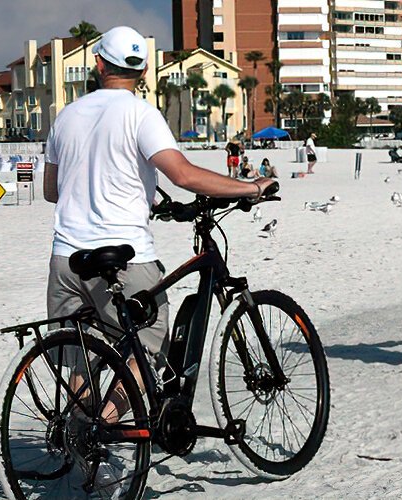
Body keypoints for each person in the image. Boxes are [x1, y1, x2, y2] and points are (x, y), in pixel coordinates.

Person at [42, 26, 274, 419]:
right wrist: (248, 188)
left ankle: (83, 444)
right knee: (147, 346)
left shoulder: (66, 116)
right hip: (123, 259)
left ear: (98, 64)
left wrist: (131, 194)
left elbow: (52, 190)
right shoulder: (141, 114)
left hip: (66, 258)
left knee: (83, 360)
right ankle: (107, 427)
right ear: (144, 70)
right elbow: (181, 175)